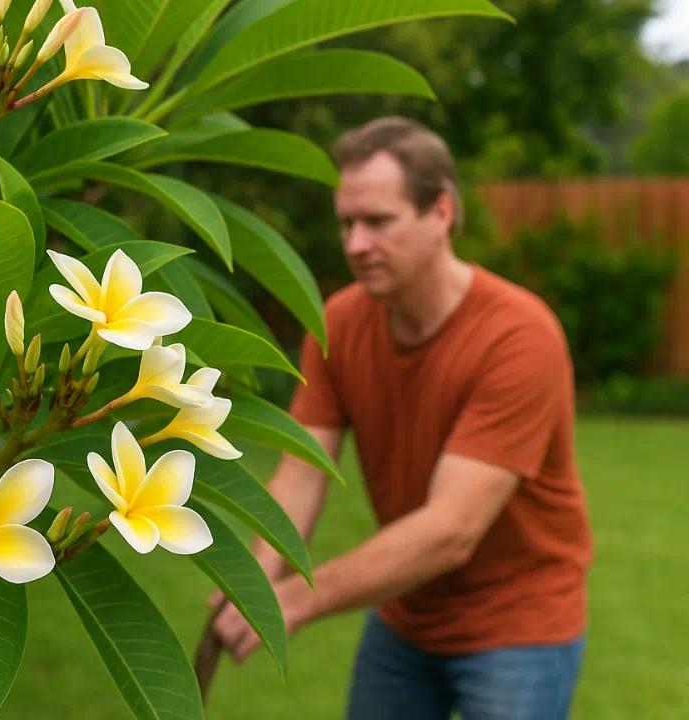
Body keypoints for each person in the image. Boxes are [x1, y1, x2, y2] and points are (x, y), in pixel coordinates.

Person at [208, 116, 594, 719]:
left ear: (441, 213)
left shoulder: (519, 337)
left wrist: (297, 601)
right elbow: (301, 472)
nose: (356, 244)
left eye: (379, 222)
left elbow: (451, 530)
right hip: (405, 613)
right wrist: (255, 581)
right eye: (347, 223)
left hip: (519, 623)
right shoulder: (339, 321)